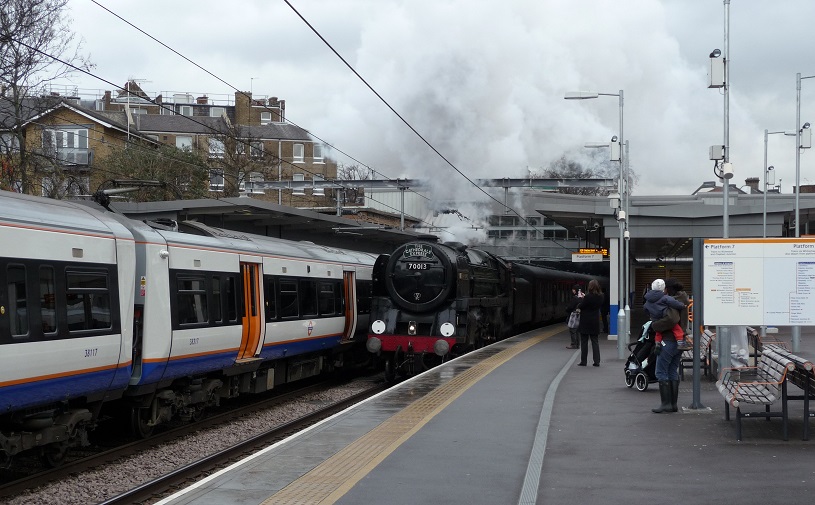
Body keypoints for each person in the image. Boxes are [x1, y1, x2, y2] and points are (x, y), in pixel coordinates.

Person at [643, 278, 688, 413]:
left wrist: (655, 325)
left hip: (669, 340)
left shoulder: (671, 303)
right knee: (672, 370)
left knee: (661, 371)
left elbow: (671, 320)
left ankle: (666, 404)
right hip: (679, 340)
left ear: (667, 289)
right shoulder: (681, 299)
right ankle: (672, 405)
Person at [576, 279, 604, 367]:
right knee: (595, 341)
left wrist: (582, 299)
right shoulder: (601, 296)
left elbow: (582, 306)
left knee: (584, 341)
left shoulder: (588, 296)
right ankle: (597, 361)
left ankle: (583, 361)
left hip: (585, 321)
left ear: (590, 286)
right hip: (595, 321)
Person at [565, 284, 583, 349]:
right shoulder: (581, 298)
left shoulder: (575, 298)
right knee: (577, 330)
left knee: (572, 329)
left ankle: (574, 344)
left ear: (575, 290)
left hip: (574, 315)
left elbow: (570, 307)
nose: (572, 290)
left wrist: (567, 309)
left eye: (573, 289)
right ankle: (577, 344)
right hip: (579, 315)